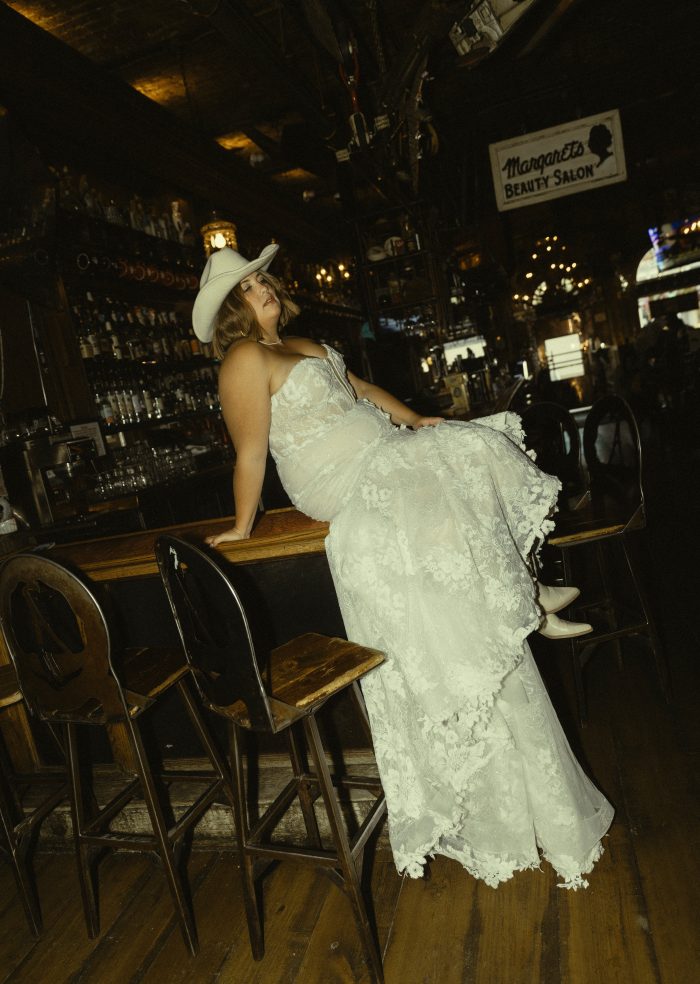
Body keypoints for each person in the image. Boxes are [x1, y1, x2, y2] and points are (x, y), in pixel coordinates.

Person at [193, 244, 614, 889]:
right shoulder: (243, 359)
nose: (264, 287)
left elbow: (361, 393)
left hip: (382, 458)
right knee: (453, 461)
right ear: (229, 309)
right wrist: (244, 525)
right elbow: (250, 452)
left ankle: (520, 596)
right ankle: (524, 601)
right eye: (247, 287)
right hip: (341, 480)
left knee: (463, 441)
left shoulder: (302, 343)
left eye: (263, 278)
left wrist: (416, 418)